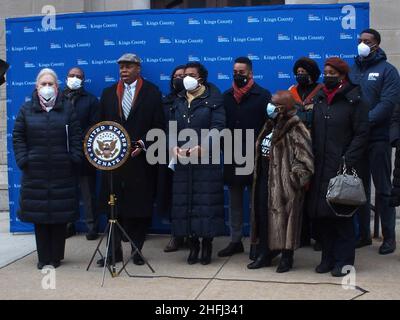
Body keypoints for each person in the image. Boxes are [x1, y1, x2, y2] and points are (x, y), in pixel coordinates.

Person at [96, 53, 165, 266]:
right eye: (121, 67)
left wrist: (143, 145)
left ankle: (137, 250)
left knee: (140, 207)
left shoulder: (152, 92)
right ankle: (113, 252)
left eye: (128, 66)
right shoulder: (108, 94)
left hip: (140, 161)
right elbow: (100, 127)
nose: (123, 70)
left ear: (138, 69)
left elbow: (159, 126)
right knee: (113, 206)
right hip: (113, 162)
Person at [12, 68, 82, 269]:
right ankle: (43, 257)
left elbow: (77, 136)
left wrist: (74, 158)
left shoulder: (67, 109)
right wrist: (24, 160)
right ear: (36, 87)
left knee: (59, 216)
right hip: (35, 172)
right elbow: (18, 138)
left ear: (57, 87)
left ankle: (56, 257)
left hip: (62, 171)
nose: (47, 87)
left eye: (51, 84)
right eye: (43, 84)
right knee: (40, 216)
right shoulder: (26, 110)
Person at [308, 57, 369, 277]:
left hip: (342, 167)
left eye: (332, 72)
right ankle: (328, 258)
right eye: (326, 72)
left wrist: (347, 159)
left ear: (342, 75)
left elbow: (362, 133)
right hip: (321, 165)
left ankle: (344, 262)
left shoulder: (355, 98)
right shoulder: (321, 97)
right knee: (324, 217)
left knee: (341, 217)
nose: (328, 75)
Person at [248, 91, 314, 272]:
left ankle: (287, 256)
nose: (269, 105)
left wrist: (292, 181)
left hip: (285, 184)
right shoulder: (269, 124)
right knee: (263, 216)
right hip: (264, 178)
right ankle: (265, 253)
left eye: (273, 103)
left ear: (283, 108)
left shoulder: (296, 128)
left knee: (286, 221)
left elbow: (305, 160)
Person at [169, 62, 225, 265]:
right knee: (186, 203)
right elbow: (172, 128)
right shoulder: (179, 99)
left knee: (206, 203)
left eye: (192, 74)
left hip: (206, 160)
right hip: (184, 160)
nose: (187, 78)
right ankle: (192, 245)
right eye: (185, 74)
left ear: (202, 77)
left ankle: (207, 244)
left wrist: (204, 147)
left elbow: (218, 127)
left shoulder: (214, 99)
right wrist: (173, 147)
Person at [349, 28, 400, 254]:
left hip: (378, 138)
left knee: (383, 189)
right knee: (357, 188)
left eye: (366, 41)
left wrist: (364, 122)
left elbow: (388, 103)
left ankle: (389, 237)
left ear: (376, 45)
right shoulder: (352, 71)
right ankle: (363, 236)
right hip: (356, 140)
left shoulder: (388, 71)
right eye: (359, 40)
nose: (362, 44)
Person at [218, 57, 271, 258]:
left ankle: (256, 242)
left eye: (241, 72)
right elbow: (221, 125)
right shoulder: (226, 96)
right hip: (232, 155)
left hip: (255, 156)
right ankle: (235, 240)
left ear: (250, 73)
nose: (237, 75)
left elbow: (269, 126)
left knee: (256, 202)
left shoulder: (263, 95)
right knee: (235, 201)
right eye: (235, 71)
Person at [289, 57, 324, 251]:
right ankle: (301, 235)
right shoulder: (291, 92)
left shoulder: (321, 92)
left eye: (304, 71)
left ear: (312, 73)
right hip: (296, 149)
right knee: (298, 192)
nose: (300, 74)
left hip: (316, 147)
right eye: (298, 71)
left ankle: (318, 235)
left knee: (316, 193)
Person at [63, 67, 100, 241]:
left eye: (78, 76)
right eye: (72, 75)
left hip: (85, 153)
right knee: (65, 192)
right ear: (66, 78)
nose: (75, 78)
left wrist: (77, 140)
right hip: (62, 154)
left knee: (88, 193)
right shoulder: (57, 98)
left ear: (83, 80)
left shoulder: (91, 100)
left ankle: (92, 227)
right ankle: (67, 225)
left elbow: (94, 125)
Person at [158, 65, 188, 253]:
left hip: (191, 152)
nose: (179, 79)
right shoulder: (165, 101)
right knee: (172, 195)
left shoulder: (196, 100)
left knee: (188, 195)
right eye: (176, 76)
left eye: (183, 76)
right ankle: (175, 235)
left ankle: (191, 234)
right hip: (168, 154)